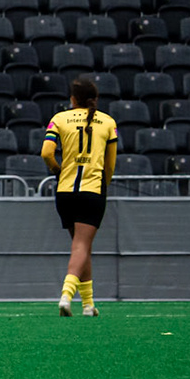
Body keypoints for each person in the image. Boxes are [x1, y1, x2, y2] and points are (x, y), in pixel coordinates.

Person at [42, 74, 117, 317]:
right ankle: (66, 295)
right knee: (82, 245)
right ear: (94, 99)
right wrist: (102, 185)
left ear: (73, 99)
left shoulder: (59, 118)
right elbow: (110, 164)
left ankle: (88, 304)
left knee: (81, 247)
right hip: (92, 191)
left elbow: (46, 153)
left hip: (64, 192)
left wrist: (57, 169)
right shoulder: (108, 122)